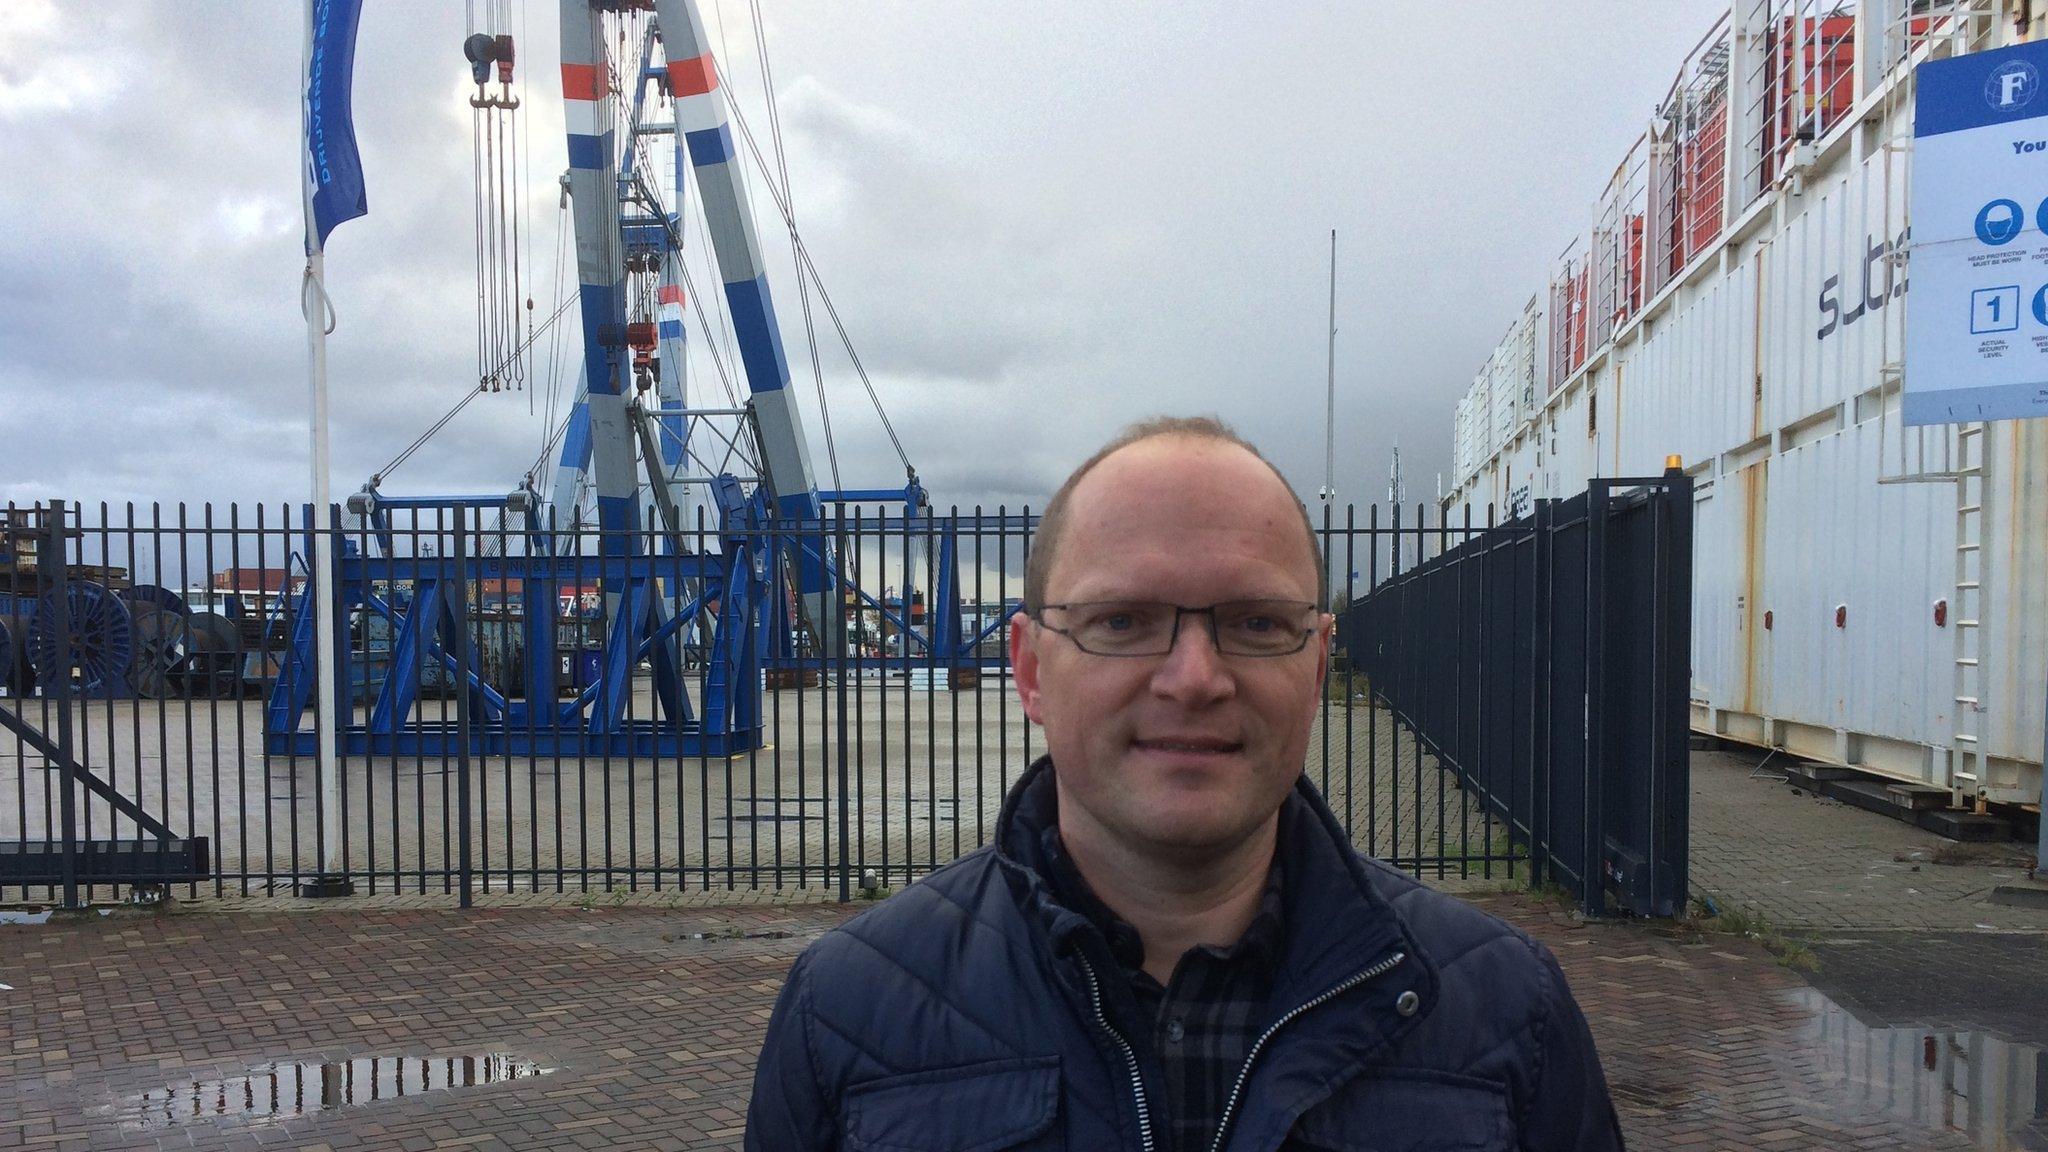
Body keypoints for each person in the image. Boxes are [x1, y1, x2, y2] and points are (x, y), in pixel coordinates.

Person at [746, 416, 1624, 1151]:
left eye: (1254, 621)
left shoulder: (1510, 1014)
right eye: (1123, 620)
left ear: (1317, 666)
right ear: (1031, 671)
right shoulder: (845, 1015)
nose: (1195, 677)